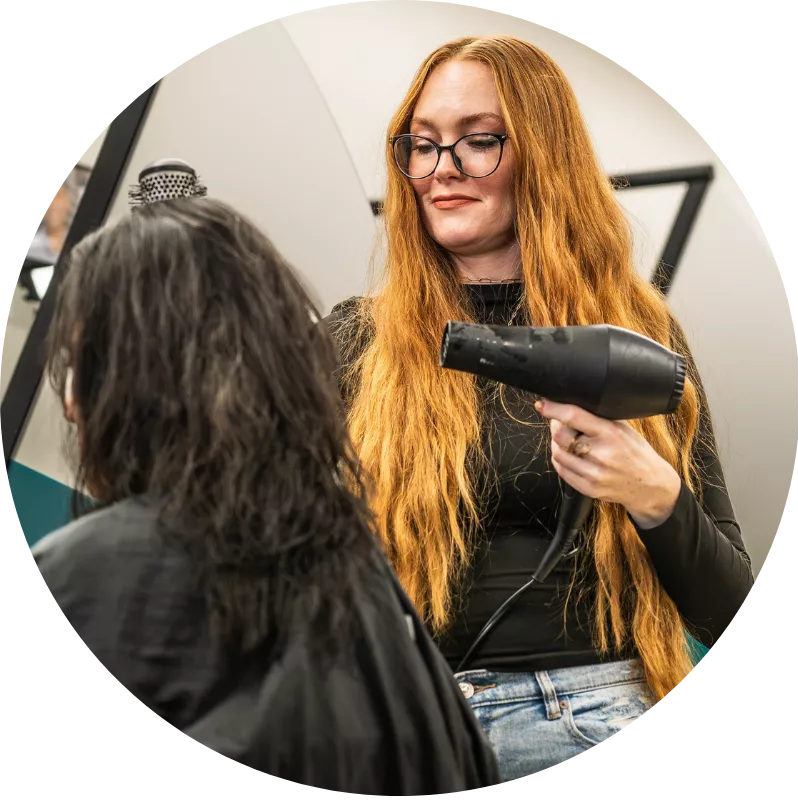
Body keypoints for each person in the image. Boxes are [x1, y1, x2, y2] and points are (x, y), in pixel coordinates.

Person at [324, 35, 754, 782]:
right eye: (420, 147)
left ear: (542, 152)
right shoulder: (358, 340)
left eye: (477, 142)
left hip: (584, 718)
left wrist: (653, 495)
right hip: (401, 728)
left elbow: (726, 608)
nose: (441, 171)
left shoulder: (636, 336)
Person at [29, 198, 503, 796]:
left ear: (120, 376)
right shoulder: (360, 576)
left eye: (78, 361)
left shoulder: (87, 575)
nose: (70, 402)